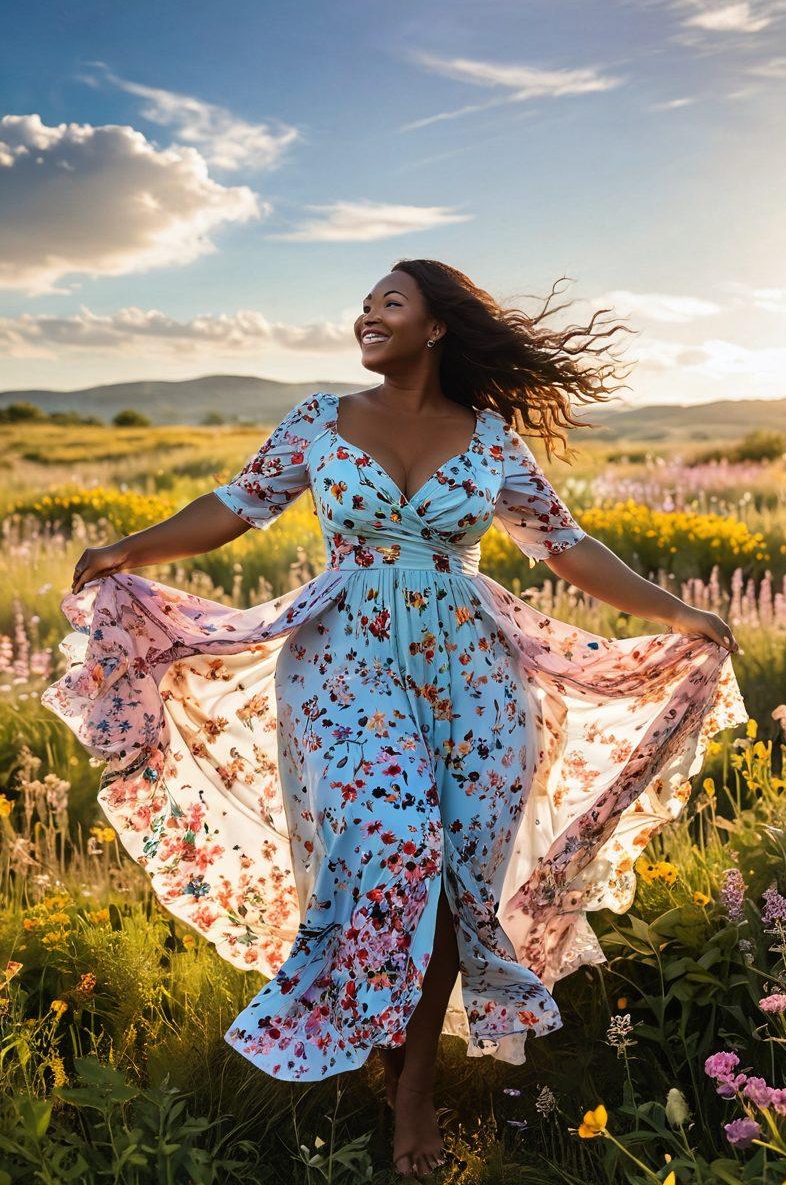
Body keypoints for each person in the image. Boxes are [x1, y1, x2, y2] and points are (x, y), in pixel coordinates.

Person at [43, 259, 746, 1180]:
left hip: (476, 673)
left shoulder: (490, 438)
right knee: (390, 837)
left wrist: (677, 613)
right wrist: (131, 545)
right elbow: (233, 507)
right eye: (366, 303)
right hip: (343, 663)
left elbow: (567, 547)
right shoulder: (320, 419)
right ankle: (375, 1045)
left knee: (459, 876)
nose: (367, 315)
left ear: (437, 326)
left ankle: (410, 1080)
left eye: (389, 302)